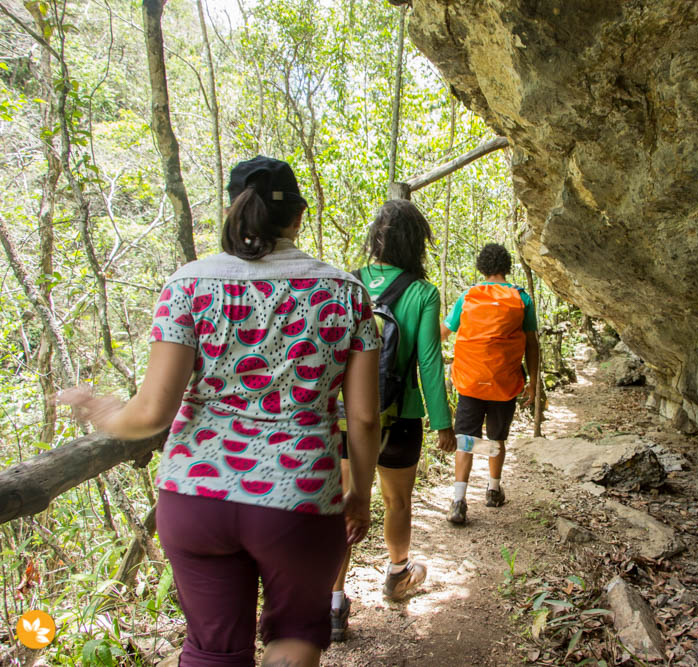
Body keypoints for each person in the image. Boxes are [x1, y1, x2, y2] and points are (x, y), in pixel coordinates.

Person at [60, 156, 381, 667]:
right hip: (297, 494)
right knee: (296, 632)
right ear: (298, 218)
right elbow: (363, 418)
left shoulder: (188, 286)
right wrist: (359, 493)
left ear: (232, 212)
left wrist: (101, 410)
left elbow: (150, 414)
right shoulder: (346, 294)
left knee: (211, 649)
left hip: (195, 494)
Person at [331, 199, 457, 640]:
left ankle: (334, 600)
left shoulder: (347, 283)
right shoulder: (422, 293)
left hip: (346, 417)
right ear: (417, 243)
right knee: (397, 502)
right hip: (400, 415)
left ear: (375, 240)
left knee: (346, 501)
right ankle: (397, 574)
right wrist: (443, 422)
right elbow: (428, 362)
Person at [440, 243, 539, 525]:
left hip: (470, 382)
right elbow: (532, 344)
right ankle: (493, 491)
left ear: (482, 268)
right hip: (504, 383)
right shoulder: (522, 298)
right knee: (497, 437)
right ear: (506, 267)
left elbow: (444, 333)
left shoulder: (468, 296)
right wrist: (533, 382)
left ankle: (458, 500)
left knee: (466, 440)